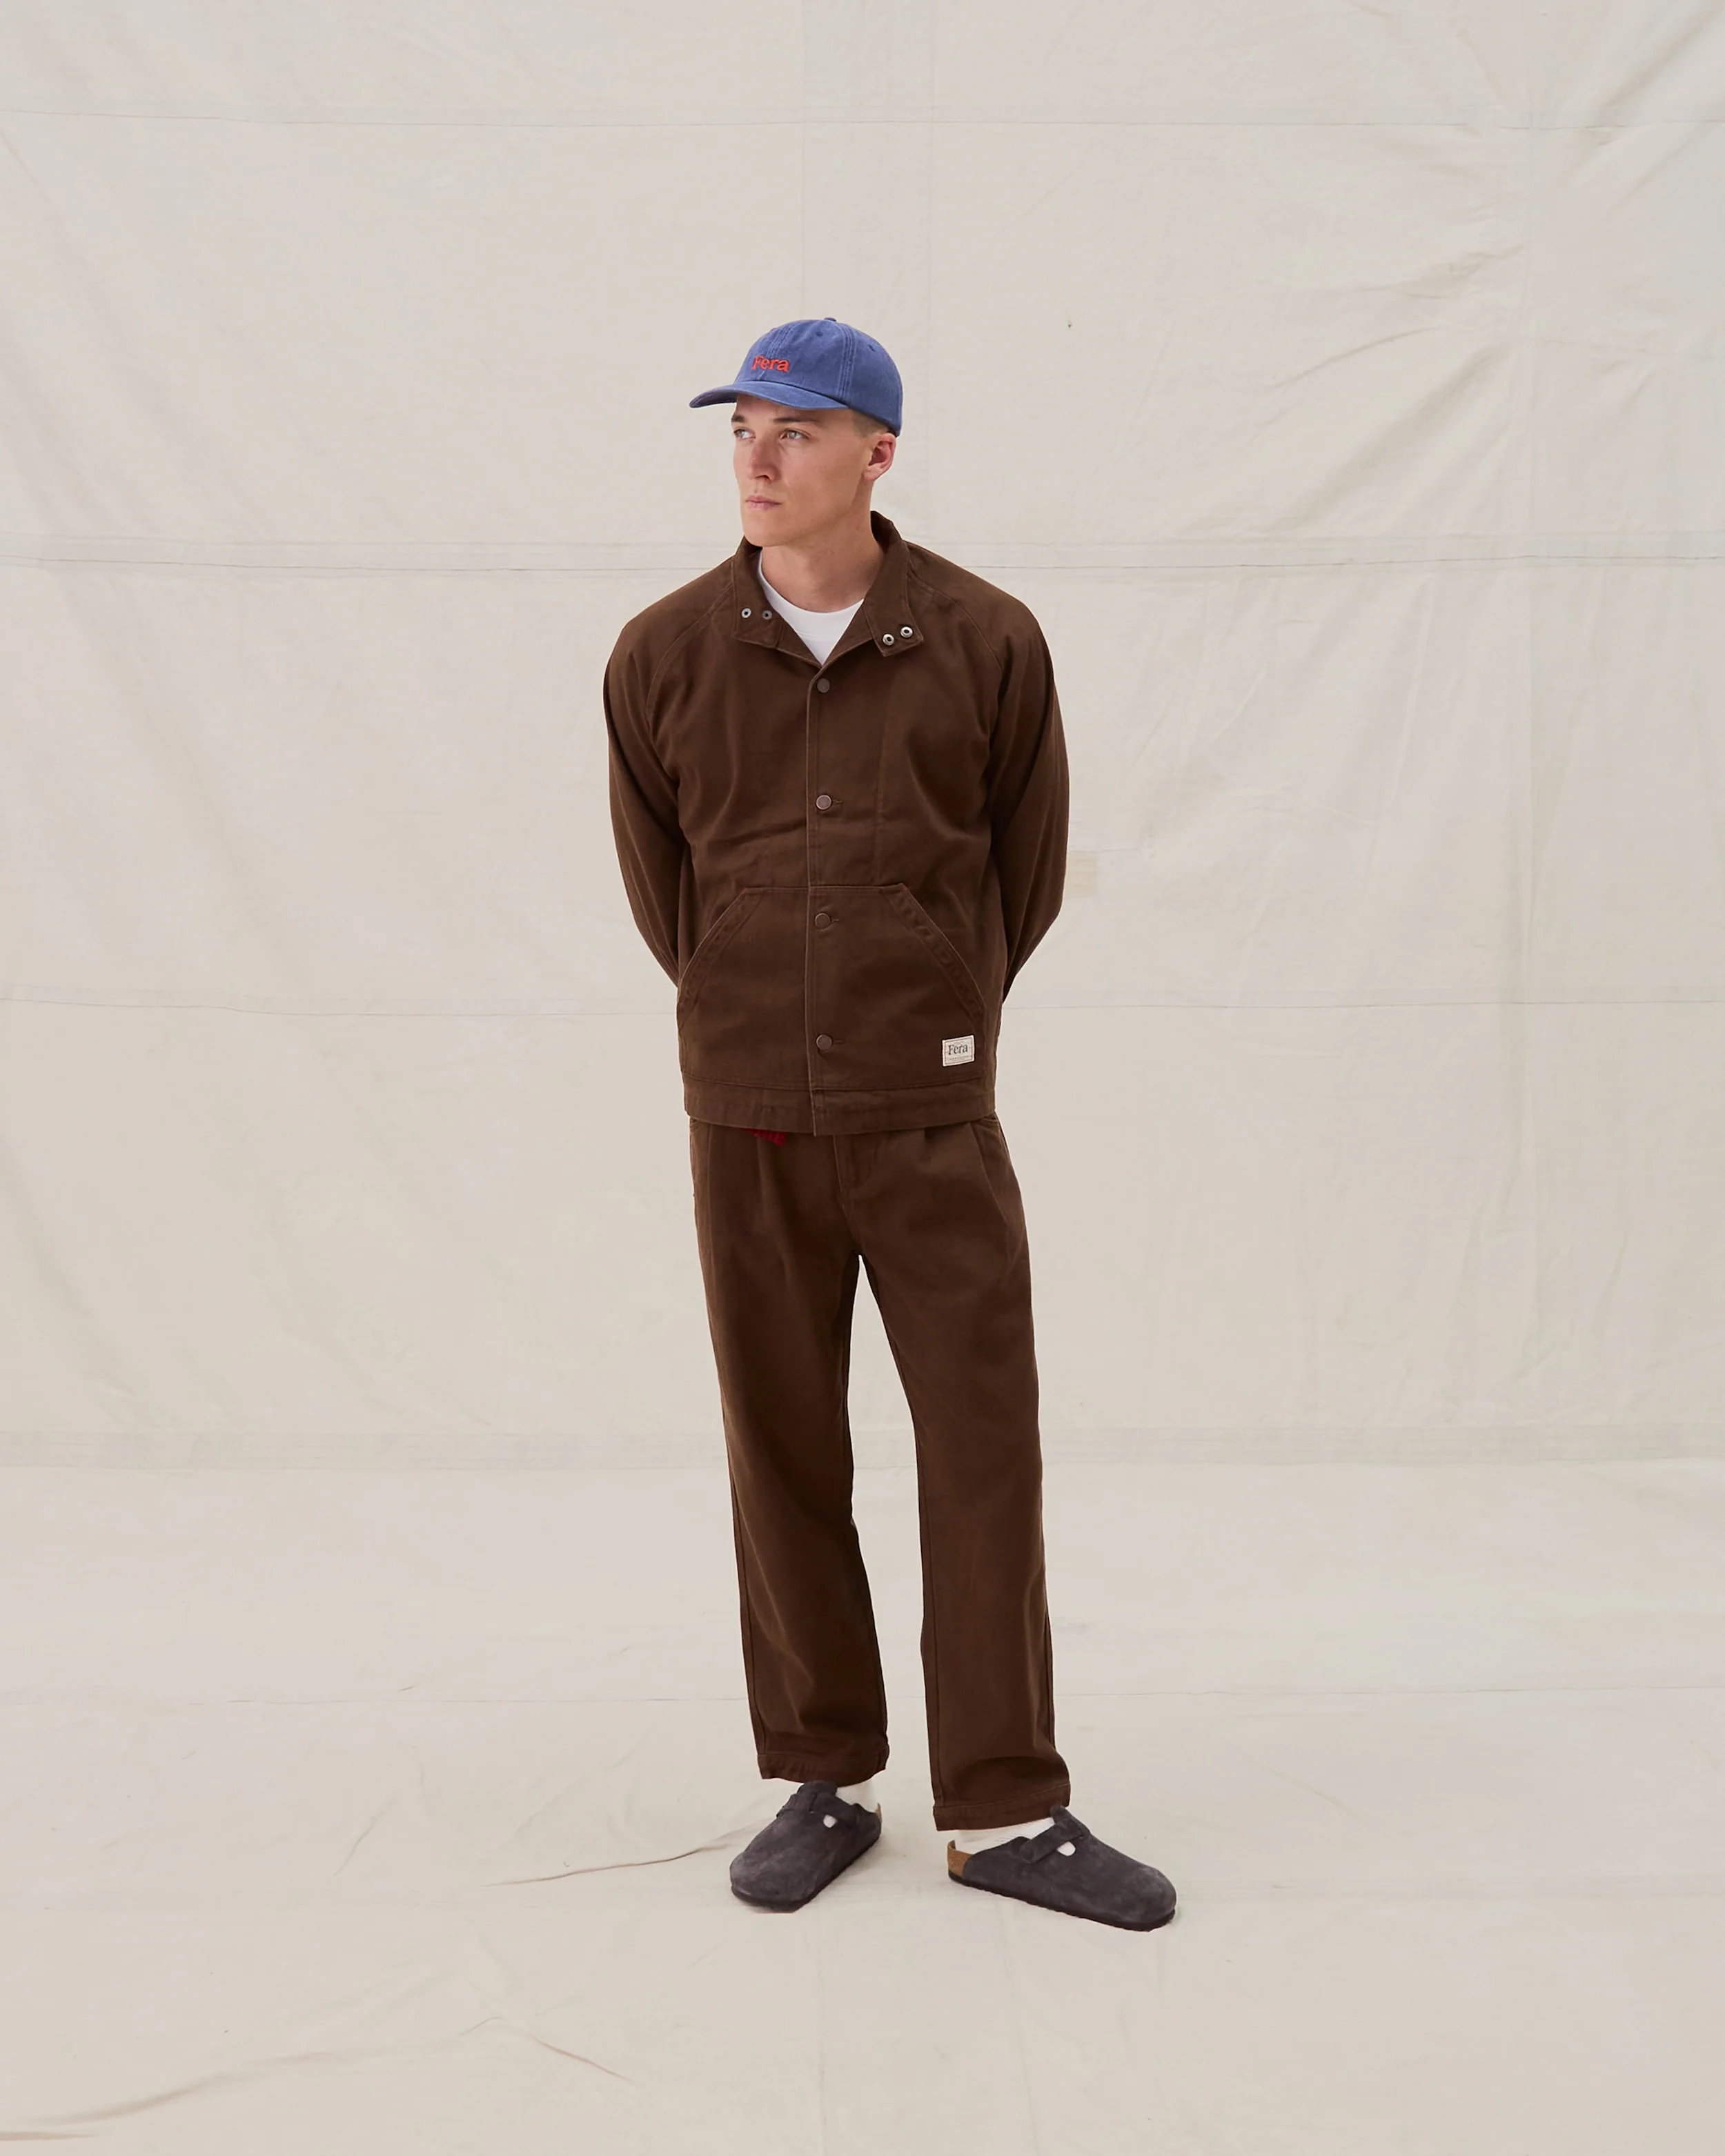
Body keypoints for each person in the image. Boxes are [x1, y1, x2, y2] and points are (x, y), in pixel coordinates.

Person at [603, 317, 1176, 1931]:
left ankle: (1001, 1807)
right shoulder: (660, 654)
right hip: (748, 1119)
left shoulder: (985, 641)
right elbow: (667, 890)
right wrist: (753, 1001)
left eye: (793, 430)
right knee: (780, 1446)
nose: (757, 457)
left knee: (982, 1450)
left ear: (877, 452)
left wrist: (930, 999)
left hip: (929, 1111)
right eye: (740, 429)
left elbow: (1023, 871)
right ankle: (824, 1775)